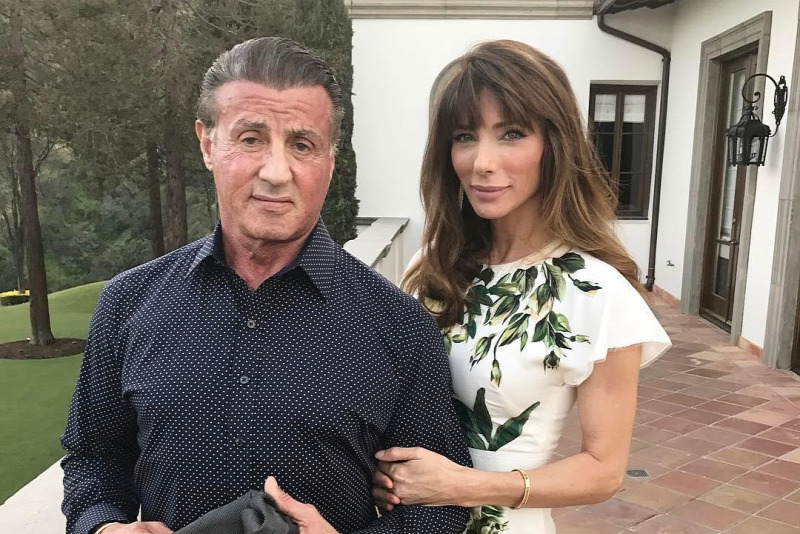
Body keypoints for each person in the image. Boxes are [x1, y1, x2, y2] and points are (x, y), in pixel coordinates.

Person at [61, 36, 471, 534]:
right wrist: (104, 527)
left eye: (302, 145)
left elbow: (440, 508)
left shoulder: (400, 327)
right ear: (207, 144)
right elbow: (94, 460)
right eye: (251, 139)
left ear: (331, 160)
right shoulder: (129, 303)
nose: (277, 173)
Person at [371, 40, 672, 533]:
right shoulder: (436, 265)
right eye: (465, 136)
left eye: (511, 134)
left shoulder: (596, 293)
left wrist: (461, 486)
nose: (482, 162)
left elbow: (604, 471)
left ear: (554, 144)